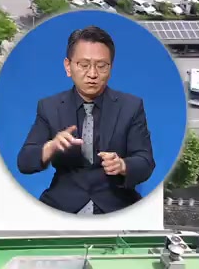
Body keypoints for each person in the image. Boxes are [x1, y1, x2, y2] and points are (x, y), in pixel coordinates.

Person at [15, 26, 154, 214]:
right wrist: (51, 147)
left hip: (117, 205)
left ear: (110, 68)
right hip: (62, 205)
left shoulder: (131, 106)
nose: (93, 74)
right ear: (68, 66)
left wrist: (122, 165)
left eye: (101, 66)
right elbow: (24, 162)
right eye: (84, 65)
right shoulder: (49, 107)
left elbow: (145, 161)